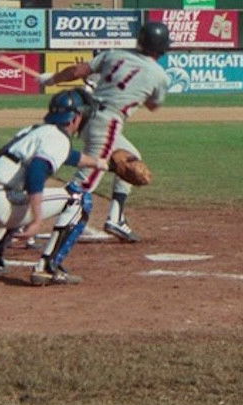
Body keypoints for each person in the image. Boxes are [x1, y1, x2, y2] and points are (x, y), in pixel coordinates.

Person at [36, 20, 170, 245]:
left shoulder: (114, 54)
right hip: (107, 123)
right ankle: (26, 219)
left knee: (130, 159)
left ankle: (116, 218)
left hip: (86, 115)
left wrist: (50, 79)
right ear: (163, 48)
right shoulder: (160, 76)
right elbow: (153, 105)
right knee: (83, 184)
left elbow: (76, 71)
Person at [0, 89, 109, 286]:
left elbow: (67, 156)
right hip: (0, 205)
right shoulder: (58, 138)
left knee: (20, 194)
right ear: (75, 118)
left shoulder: (35, 131)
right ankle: (48, 268)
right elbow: (37, 171)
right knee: (79, 199)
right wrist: (37, 219)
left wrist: (98, 163)